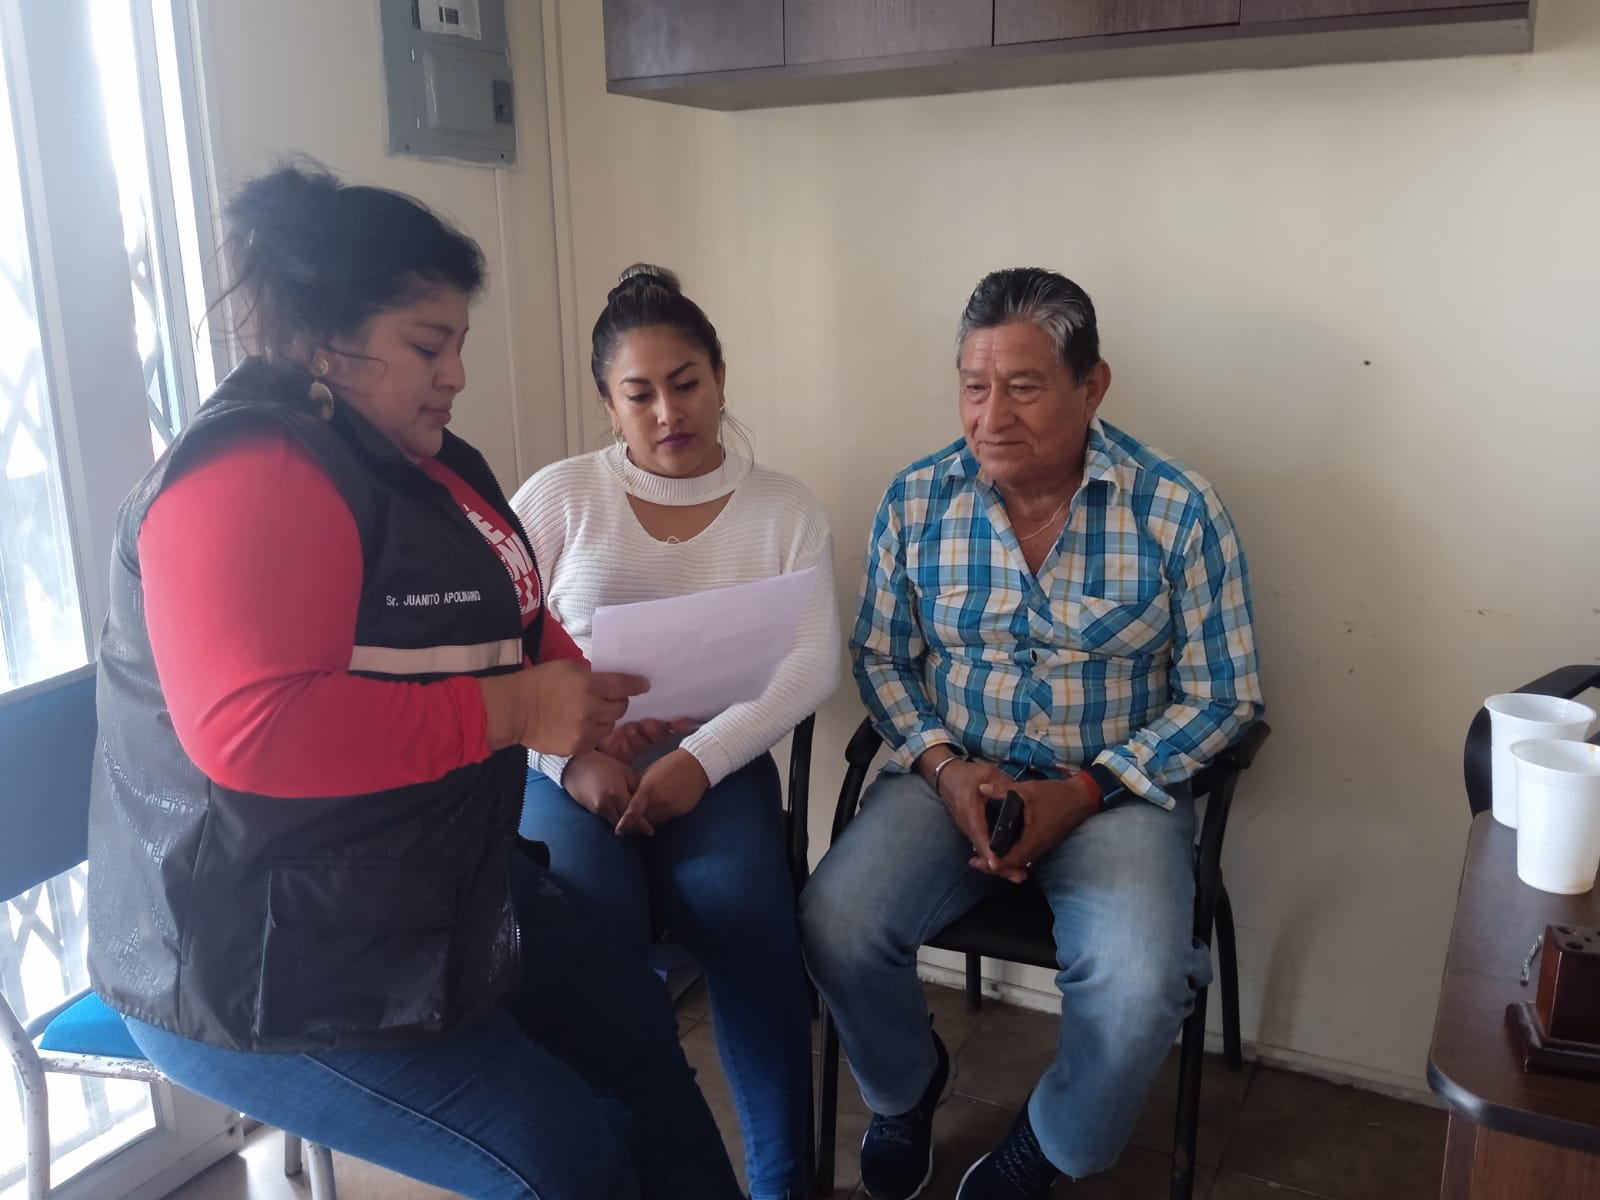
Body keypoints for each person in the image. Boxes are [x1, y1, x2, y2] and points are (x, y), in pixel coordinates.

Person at [86, 165, 745, 1200]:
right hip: (262, 959)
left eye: (459, 344)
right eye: (428, 346)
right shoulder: (247, 475)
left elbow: (512, 613)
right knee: (560, 1155)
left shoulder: (423, 460)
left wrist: (574, 699)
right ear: (322, 340)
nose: (457, 374)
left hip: (419, 884)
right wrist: (519, 709)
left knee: (627, 1016)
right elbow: (252, 730)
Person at [800, 267, 1265, 1200]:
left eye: (1022, 387)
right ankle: (906, 1089)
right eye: (974, 387)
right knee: (833, 922)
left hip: (1115, 791)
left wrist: (1085, 790)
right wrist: (946, 770)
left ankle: (1049, 1145)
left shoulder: (1176, 508)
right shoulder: (917, 500)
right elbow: (882, 658)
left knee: (1140, 984)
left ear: (1092, 387)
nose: (991, 416)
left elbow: (1228, 697)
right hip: (953, 778)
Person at [512, 264, 841, 1200]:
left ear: (721, 377)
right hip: (574, 769)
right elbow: (500, 659)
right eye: (639, 393)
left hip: (716, 768)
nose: (668, 412)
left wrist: (700, 760)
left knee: (745, 916)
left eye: (686, 382)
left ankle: (783, 1182)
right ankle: (633, 1169)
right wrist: (569, 762)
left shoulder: (783, 508)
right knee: (585, 931)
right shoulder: (558, 498)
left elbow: (812, 663)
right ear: (607, 404)